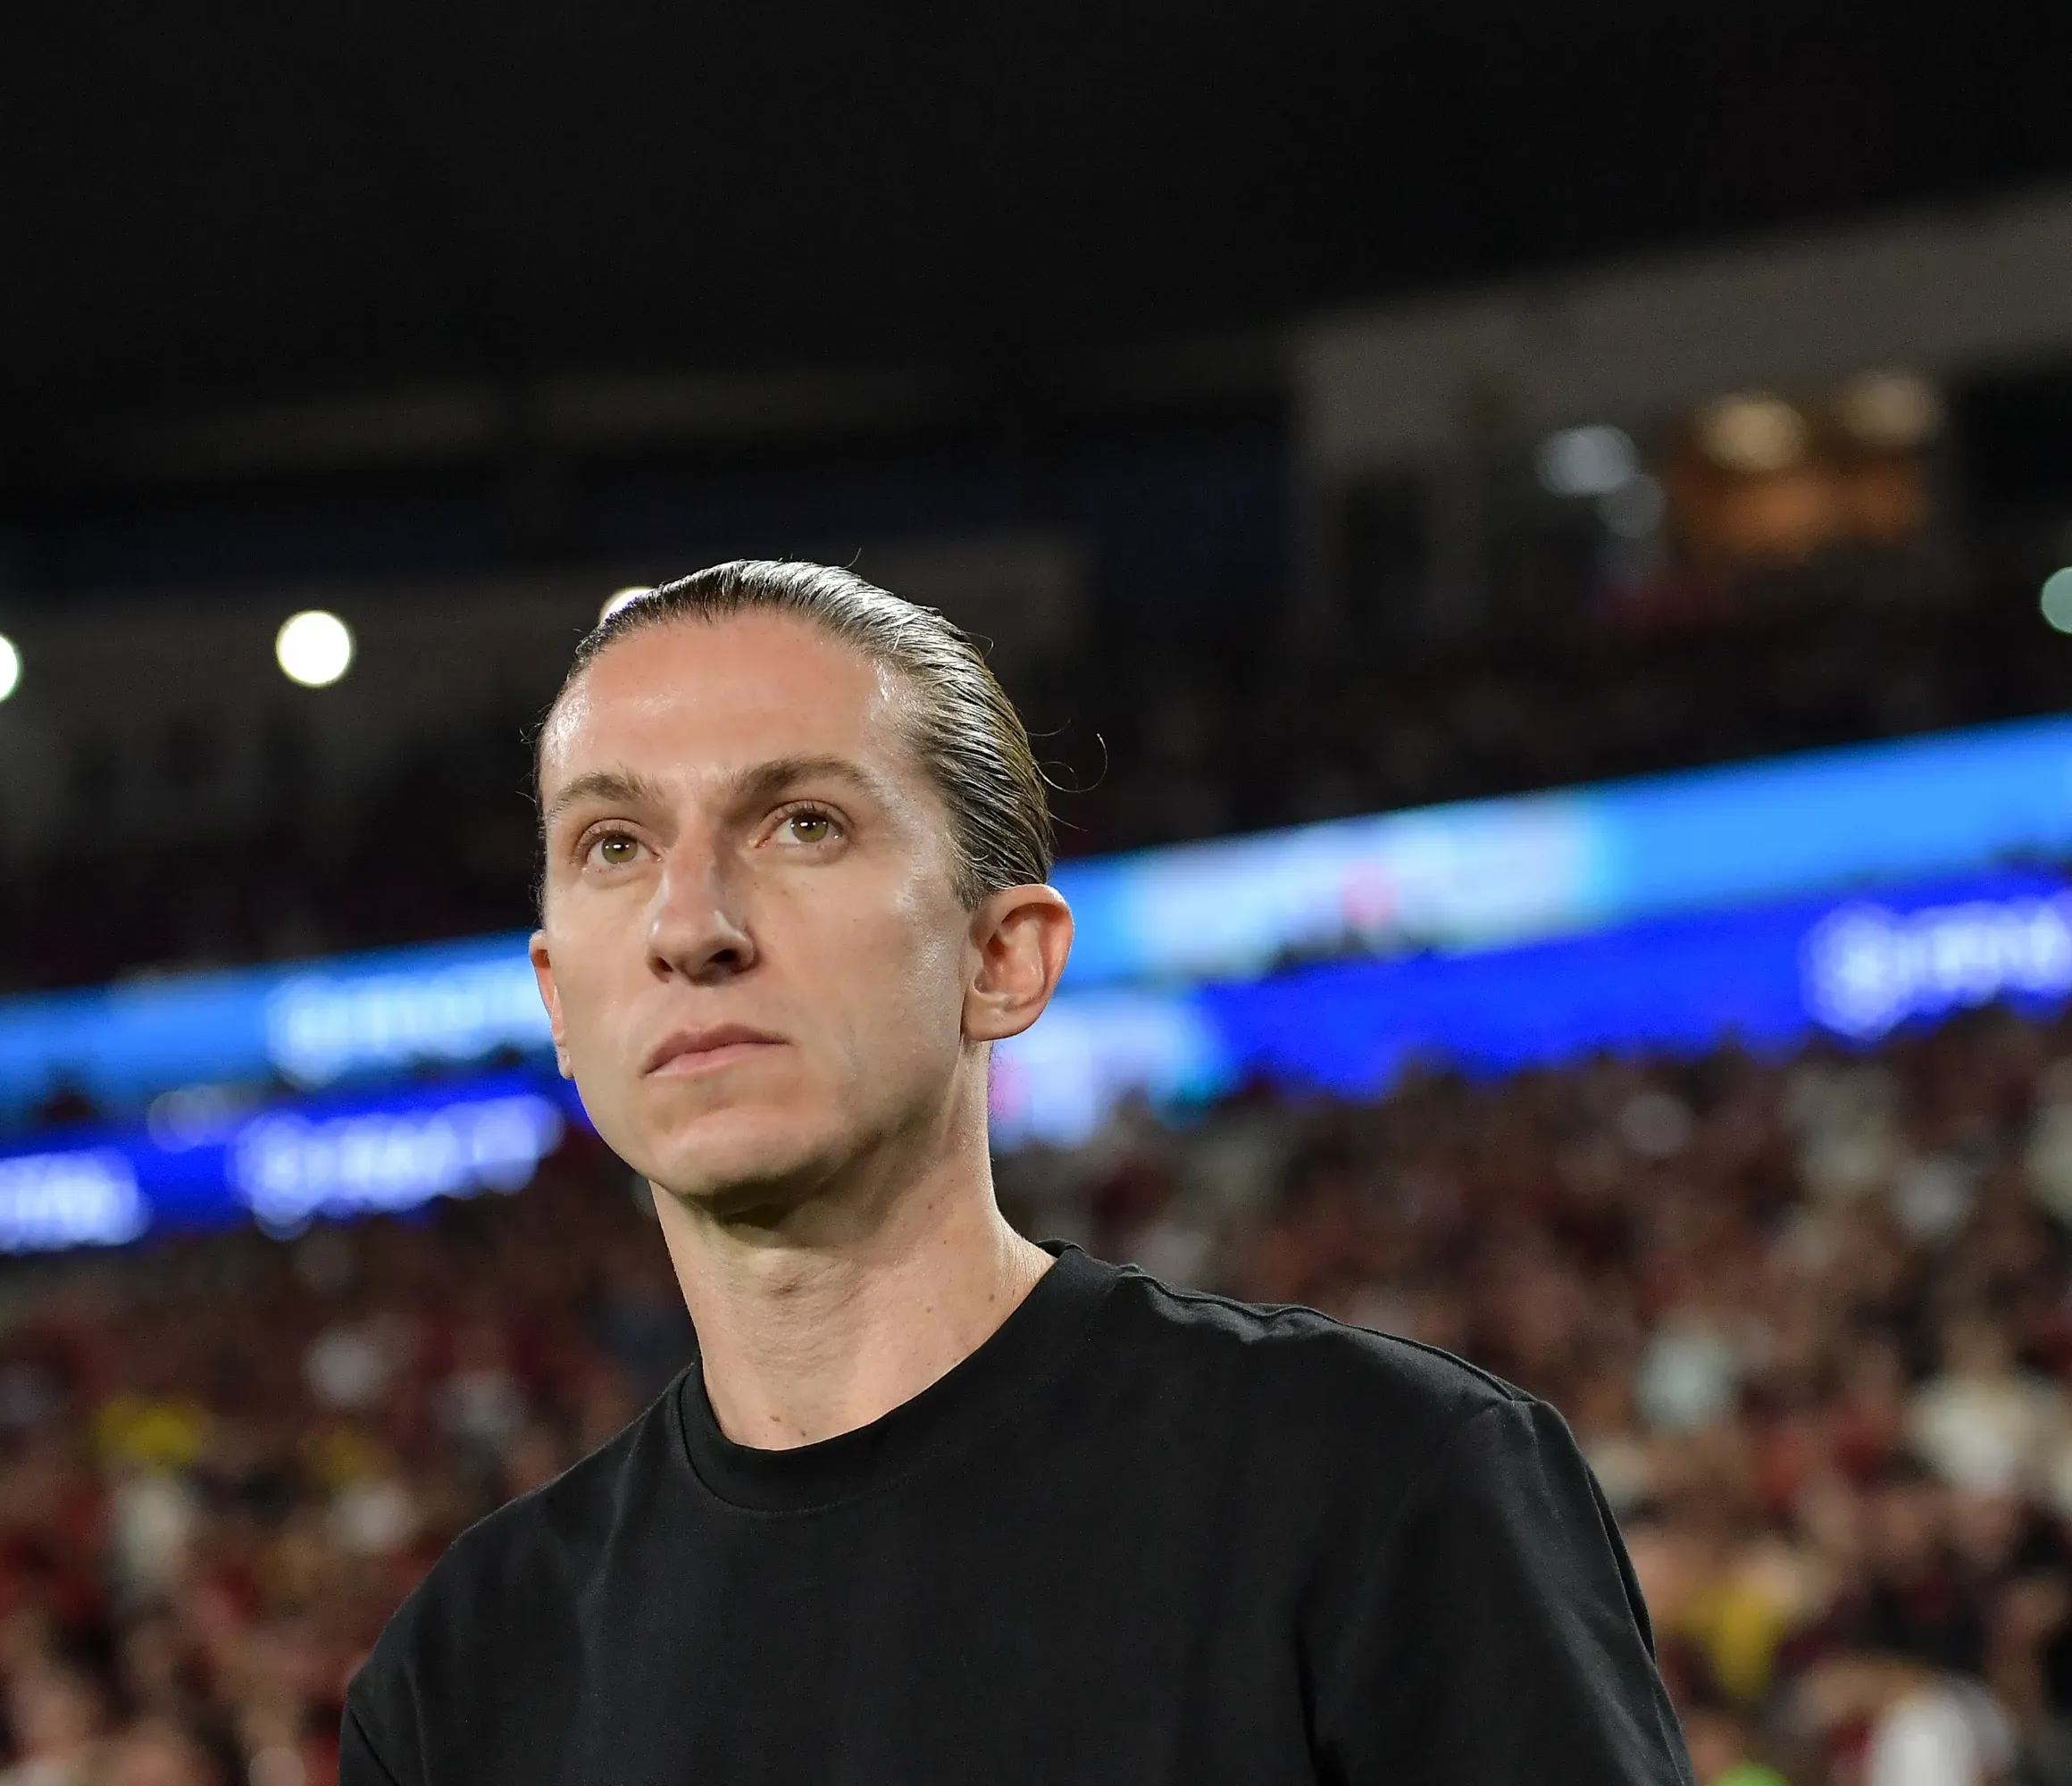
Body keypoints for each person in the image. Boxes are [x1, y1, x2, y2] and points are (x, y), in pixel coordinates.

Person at [340, 561, 1694, 1782]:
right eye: (613, 847)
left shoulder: (1382, 1486)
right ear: (558, 1004)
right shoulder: (465, 1676)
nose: (691, 924)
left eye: (802, 824)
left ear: (1003, 959)